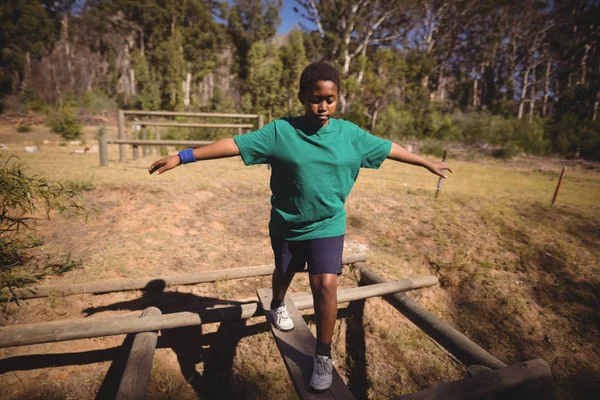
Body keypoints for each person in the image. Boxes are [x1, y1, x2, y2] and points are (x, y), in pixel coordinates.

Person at [148, 62, 451, 391]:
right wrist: (183, 156)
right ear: (302, 97)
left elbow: (387, 147)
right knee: (285, 269)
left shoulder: (350, 135)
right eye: (316, 99)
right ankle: (278, 303)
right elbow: (235, 144)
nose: (323, 107)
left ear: (338, 99)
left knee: (325, 286)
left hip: (329, 222)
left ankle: (322, 355)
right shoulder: (281, 132)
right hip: (288, 223)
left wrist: (425, 161)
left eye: (331, 99)